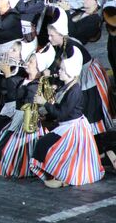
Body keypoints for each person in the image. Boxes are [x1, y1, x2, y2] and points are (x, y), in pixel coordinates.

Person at [30, 46, 105, 187]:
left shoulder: (74, 91)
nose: (59, 71)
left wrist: (45, 103)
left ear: (70, 72)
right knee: (49, 146)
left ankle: (60, 176)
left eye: (62, 70)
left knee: (47, 144)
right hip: (67, 125)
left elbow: (61, 113)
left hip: (72, 128)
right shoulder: (67, 86)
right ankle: (57, 175)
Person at [0, 44, 55, 178]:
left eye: (31, 62)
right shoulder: (23, 80)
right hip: (17, 117)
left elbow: (20, 98)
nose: (27, 63)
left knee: (12, 149)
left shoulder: (36, 85)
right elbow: (9, 93)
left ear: (39, 67)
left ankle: (21, 169)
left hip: (26, 120)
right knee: (2, 145)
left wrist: (8, 74)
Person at [48, 10, 113, 135]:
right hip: (80, 75)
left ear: (61, 34)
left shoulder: (71, 47)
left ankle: (93, 136)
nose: (49, 38)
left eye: (52, 35)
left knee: (88, 107)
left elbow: (70, 72)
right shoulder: (64, 44)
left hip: (86, 77)